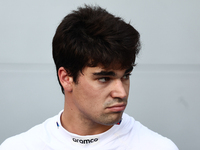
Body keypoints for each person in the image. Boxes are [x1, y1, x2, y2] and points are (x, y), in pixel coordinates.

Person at [0, 5, 179, 150]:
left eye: (125, 75)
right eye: (104, 78)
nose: (121, 92)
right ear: (66, 78)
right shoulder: (20, 147)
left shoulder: (156, 147)